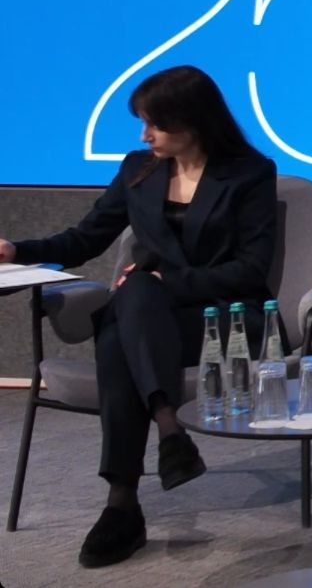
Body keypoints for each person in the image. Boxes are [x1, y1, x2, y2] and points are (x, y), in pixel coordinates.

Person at [0, 65, 278, 568]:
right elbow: (84, 239)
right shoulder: (138, 170)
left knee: (126, 314)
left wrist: (166, 281)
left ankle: (123, 504)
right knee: (130, 308)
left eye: (154, 124)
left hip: (224, 320)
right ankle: (167, 433)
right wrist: (17, 250)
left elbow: (249, 270)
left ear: (192, 121)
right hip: (148, 315)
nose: (144, 136)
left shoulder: (249, 173)